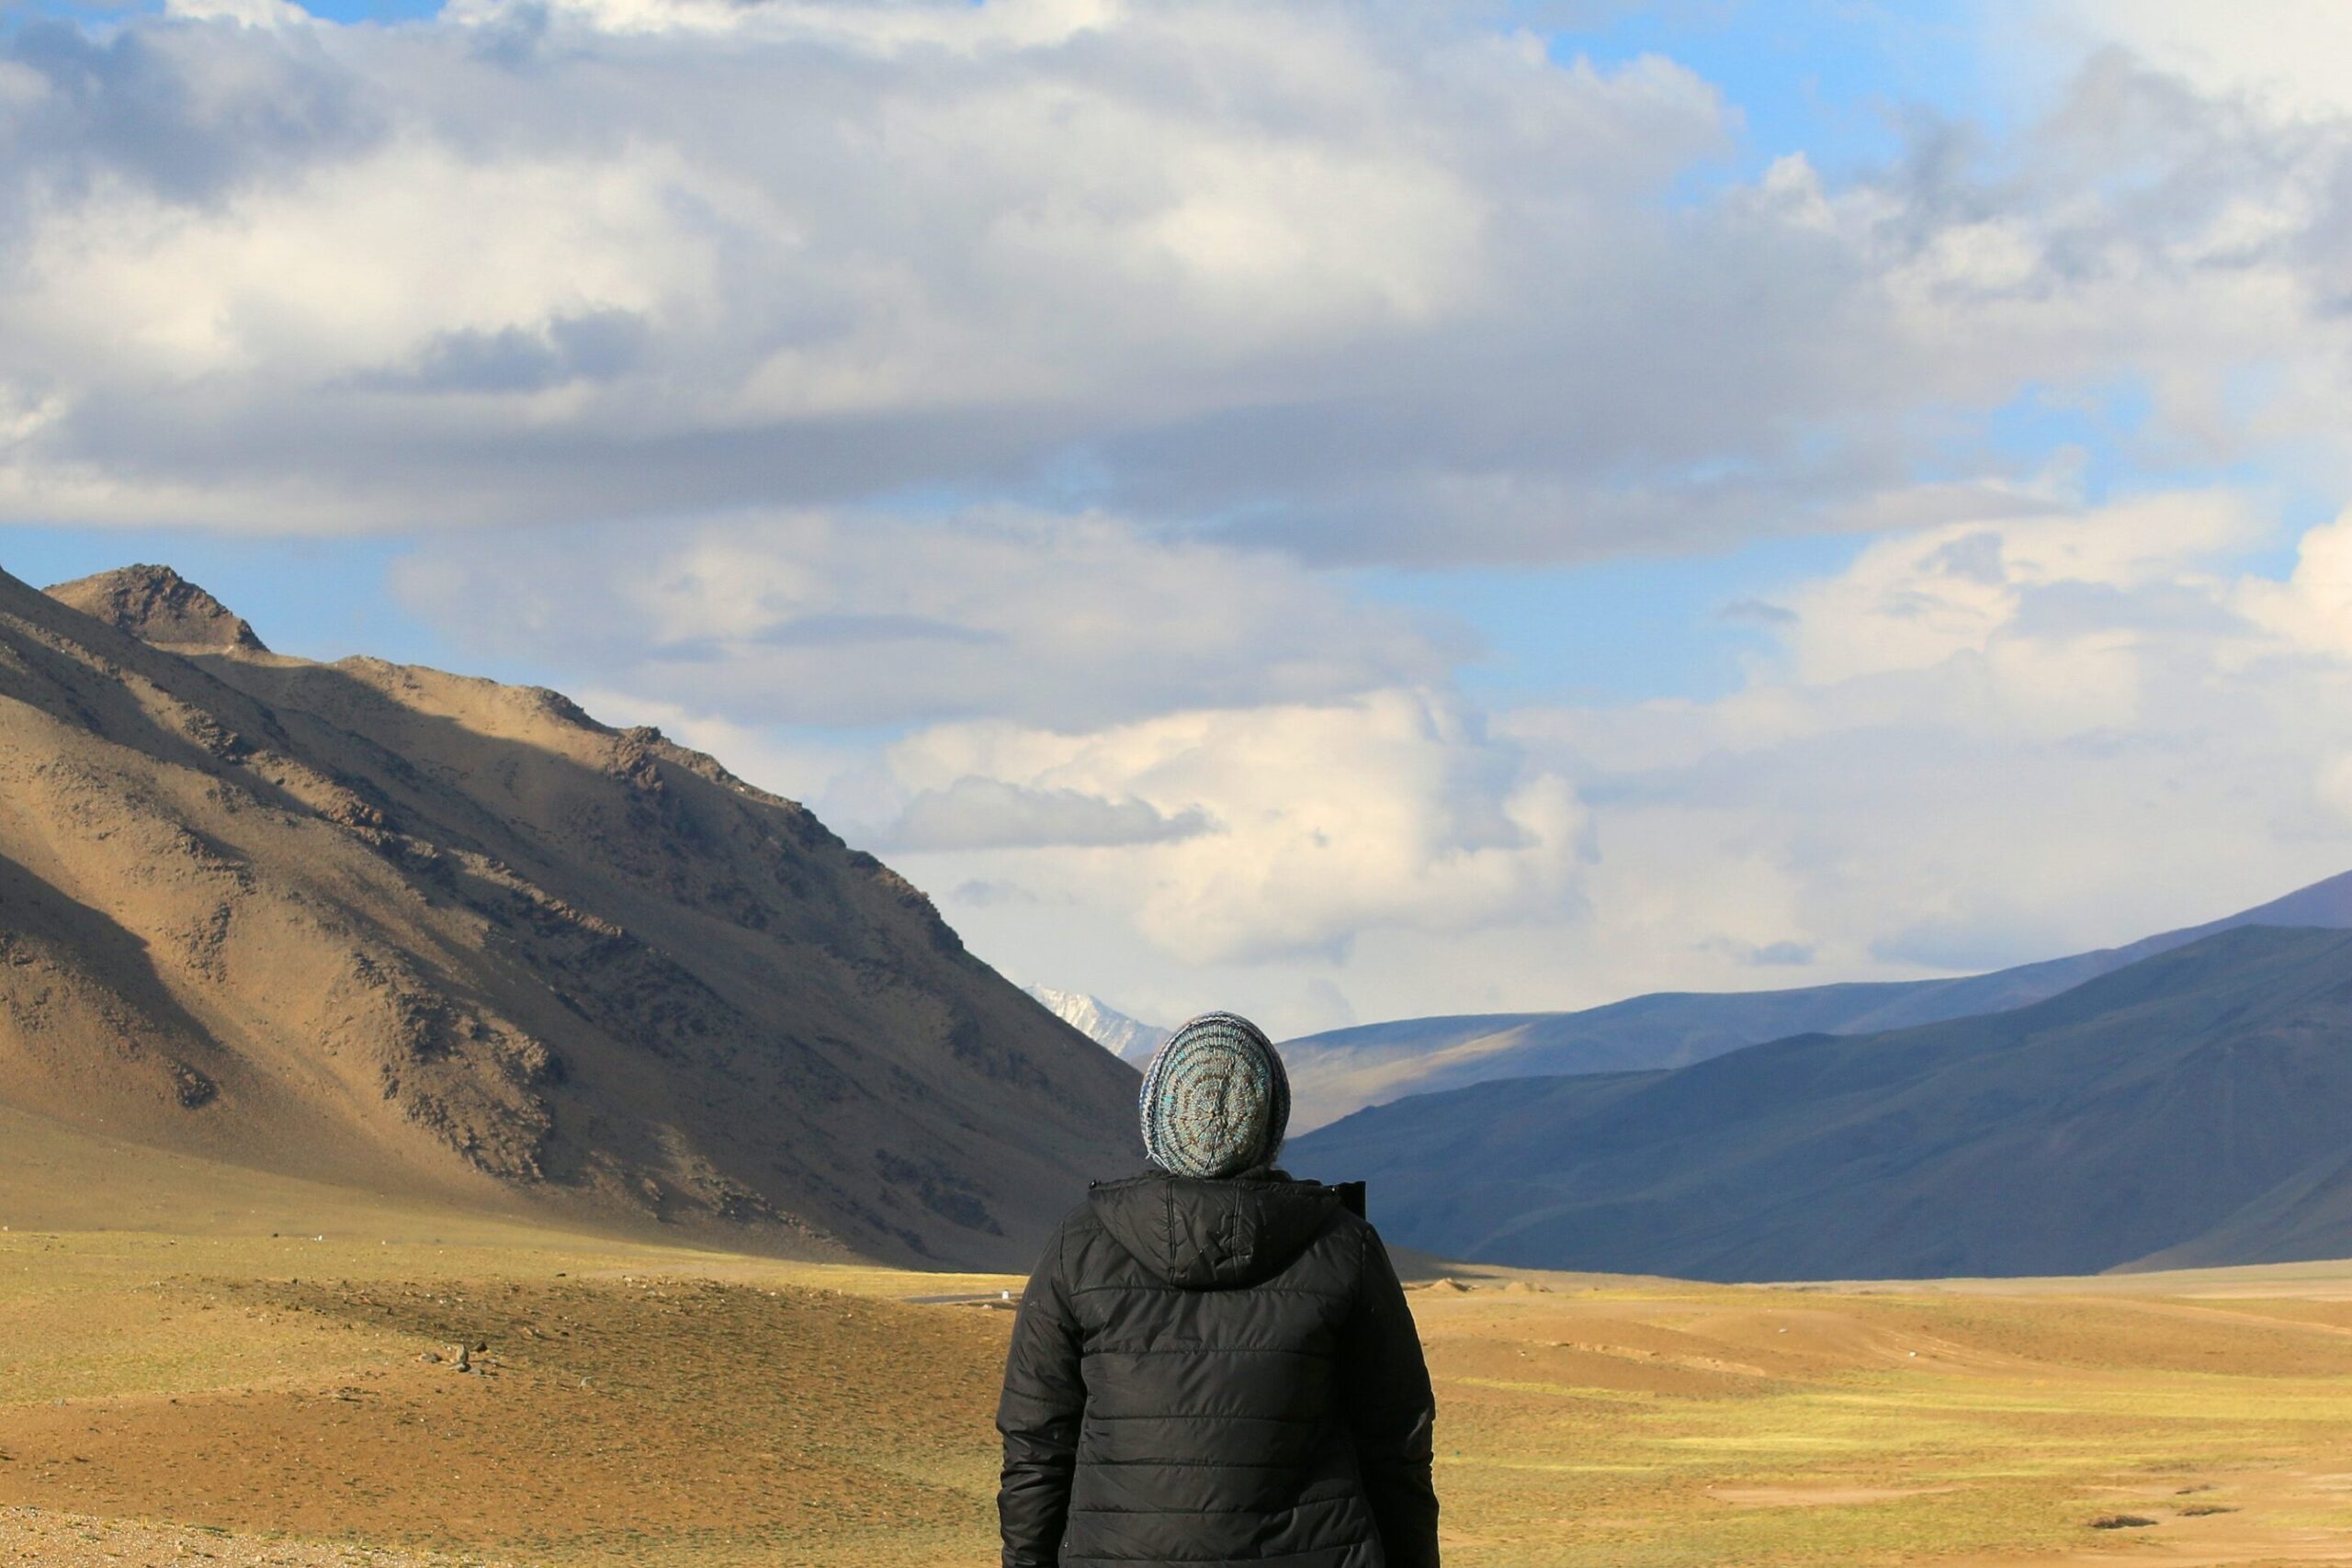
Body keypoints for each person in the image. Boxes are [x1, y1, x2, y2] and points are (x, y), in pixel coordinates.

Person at [997, 1010, 1440, 1568]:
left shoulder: (1079, 1246)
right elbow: (1397, 1444)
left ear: (1155, 1119)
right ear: (1271, 1124)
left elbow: (1036, 1443)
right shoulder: (1343, 1248)